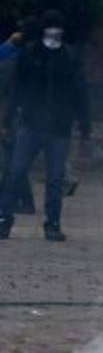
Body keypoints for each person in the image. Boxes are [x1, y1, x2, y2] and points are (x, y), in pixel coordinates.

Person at [0, 11, 89, 242]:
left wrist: (84, 126)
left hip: (58, 126)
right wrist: (8, 121)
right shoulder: (30, 54)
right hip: (31, 123)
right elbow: (17, 89)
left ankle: (52, 223)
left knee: (54, 178)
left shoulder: (69, 57)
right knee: (16, 173)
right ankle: (4, 219)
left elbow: (80, 91)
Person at [0, 18, 36, 216]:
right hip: (25, 113)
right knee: (14, 158)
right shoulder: (33, 55)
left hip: (13, 113)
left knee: (9, 159)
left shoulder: (13, 58)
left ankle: (10, 201)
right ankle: (25, 201)